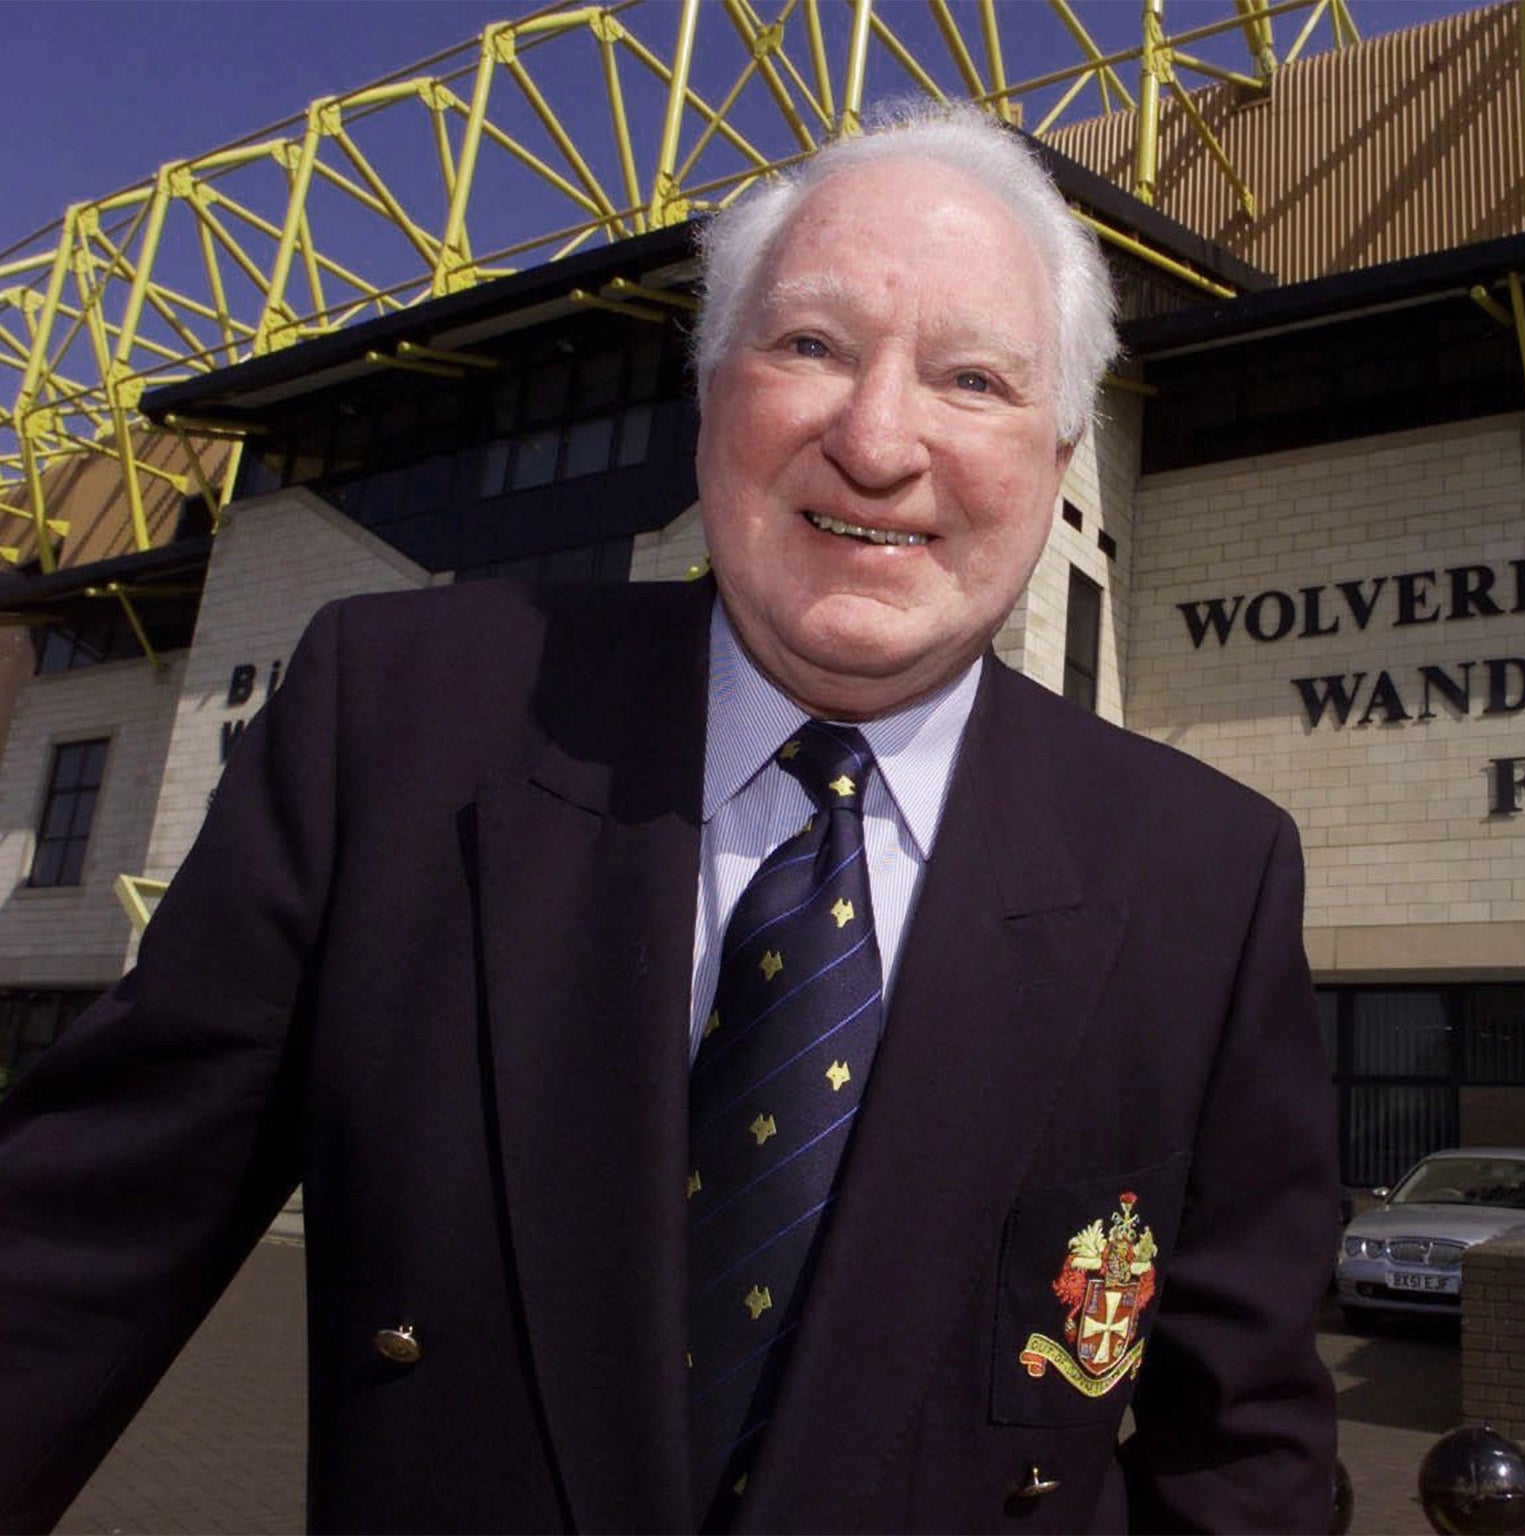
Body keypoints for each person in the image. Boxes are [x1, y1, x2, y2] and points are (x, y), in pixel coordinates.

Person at [0, 103, 1335, 1533]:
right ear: (709, 397)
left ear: (1060, 454)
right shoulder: (394, 729)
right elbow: (69, 1261)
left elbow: (1239, 1452)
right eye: (810, 347)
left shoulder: (1204, 875)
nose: (879, 441)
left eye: (973, 379)